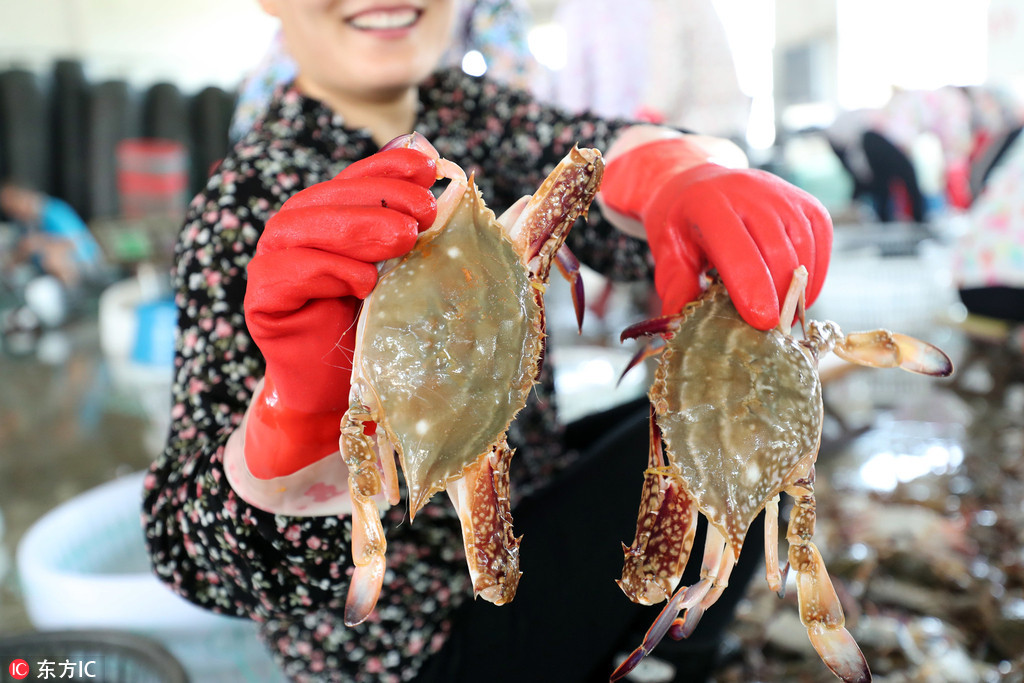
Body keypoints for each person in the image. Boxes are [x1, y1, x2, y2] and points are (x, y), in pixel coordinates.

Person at [141, 1, 832, 682]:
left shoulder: (470, 115)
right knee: (741, 425)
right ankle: (668, 659)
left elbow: (597, 158)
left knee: (734, 408)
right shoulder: (242, 206)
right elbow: (193, 560)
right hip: (410, 645)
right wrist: (293, 422)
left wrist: (681, 171)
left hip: (519, 506)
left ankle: (667, 657)